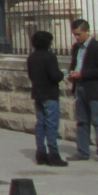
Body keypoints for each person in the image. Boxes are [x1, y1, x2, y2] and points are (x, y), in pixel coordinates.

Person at [66, 18, 98, 164]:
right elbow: (74, 64)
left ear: (86, 31)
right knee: (82, 121)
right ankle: (82, 151)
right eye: (74, 34)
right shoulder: (76, 48)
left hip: (95, 89)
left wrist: (82, 73)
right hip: (80, 87)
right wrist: (71, 74)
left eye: (79, 34)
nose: (76, 37)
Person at [27, 30, 67, 167]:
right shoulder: (49, 57)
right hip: (50, 93)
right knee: (51, 124)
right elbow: (54, 76)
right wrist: (62, 74)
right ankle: (53, 154)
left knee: (41, 124)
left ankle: (41, 152)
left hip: (38, 93)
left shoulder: (32, 57)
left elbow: (31, 75)